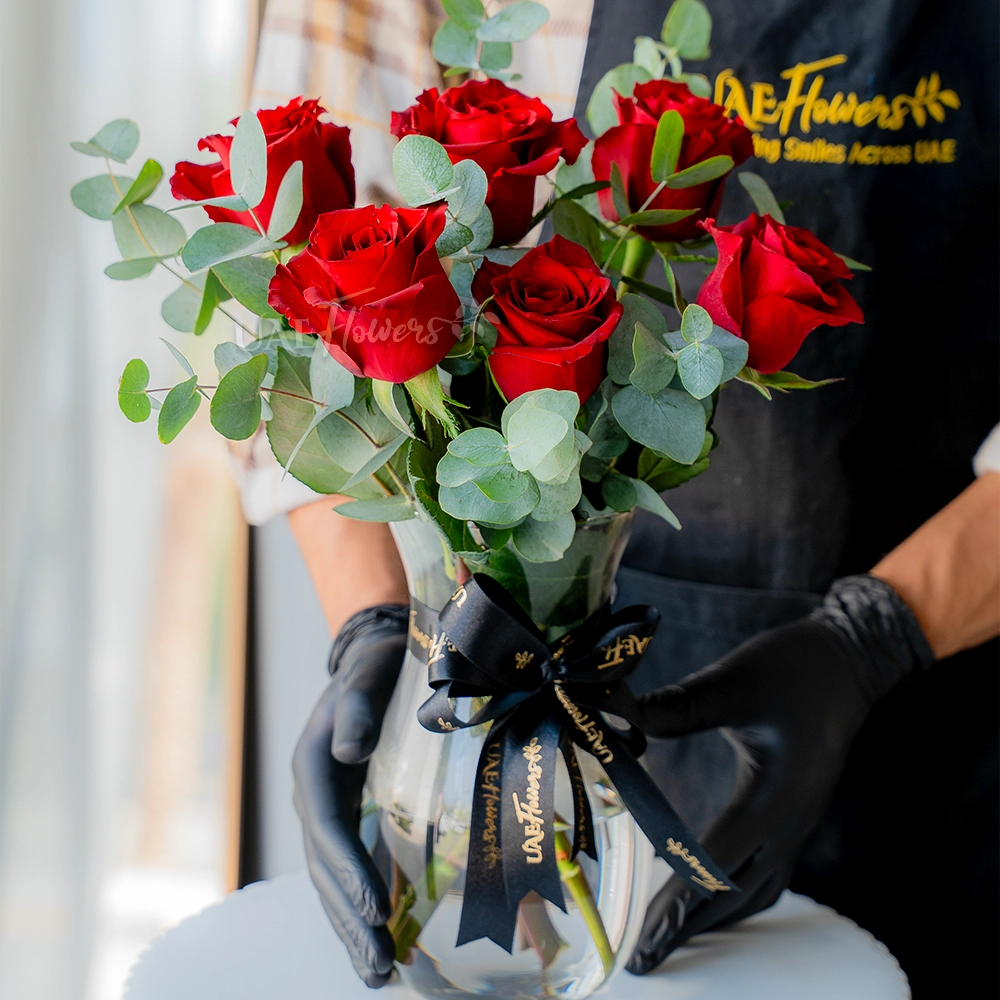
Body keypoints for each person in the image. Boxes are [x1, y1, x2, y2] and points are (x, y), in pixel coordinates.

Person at [245, 0, 1000, 994]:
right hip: (513, 725)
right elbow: (302, 305)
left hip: (940, 713)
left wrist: (873, 640)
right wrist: (379, 627)